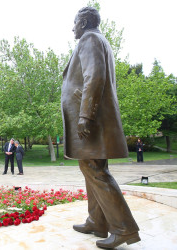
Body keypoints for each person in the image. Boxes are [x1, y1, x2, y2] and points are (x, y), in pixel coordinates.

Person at [61, 7, 140, 248]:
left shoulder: (90, 38)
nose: (72, 27)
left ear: (83, 22)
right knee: (91, 168)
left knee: (94, 169)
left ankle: (124, 229)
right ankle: (97, 221)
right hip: (93, 120)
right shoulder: (96, 39)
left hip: (91, 121)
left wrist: (85, 115)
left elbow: (94, 76)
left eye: (75, 22)